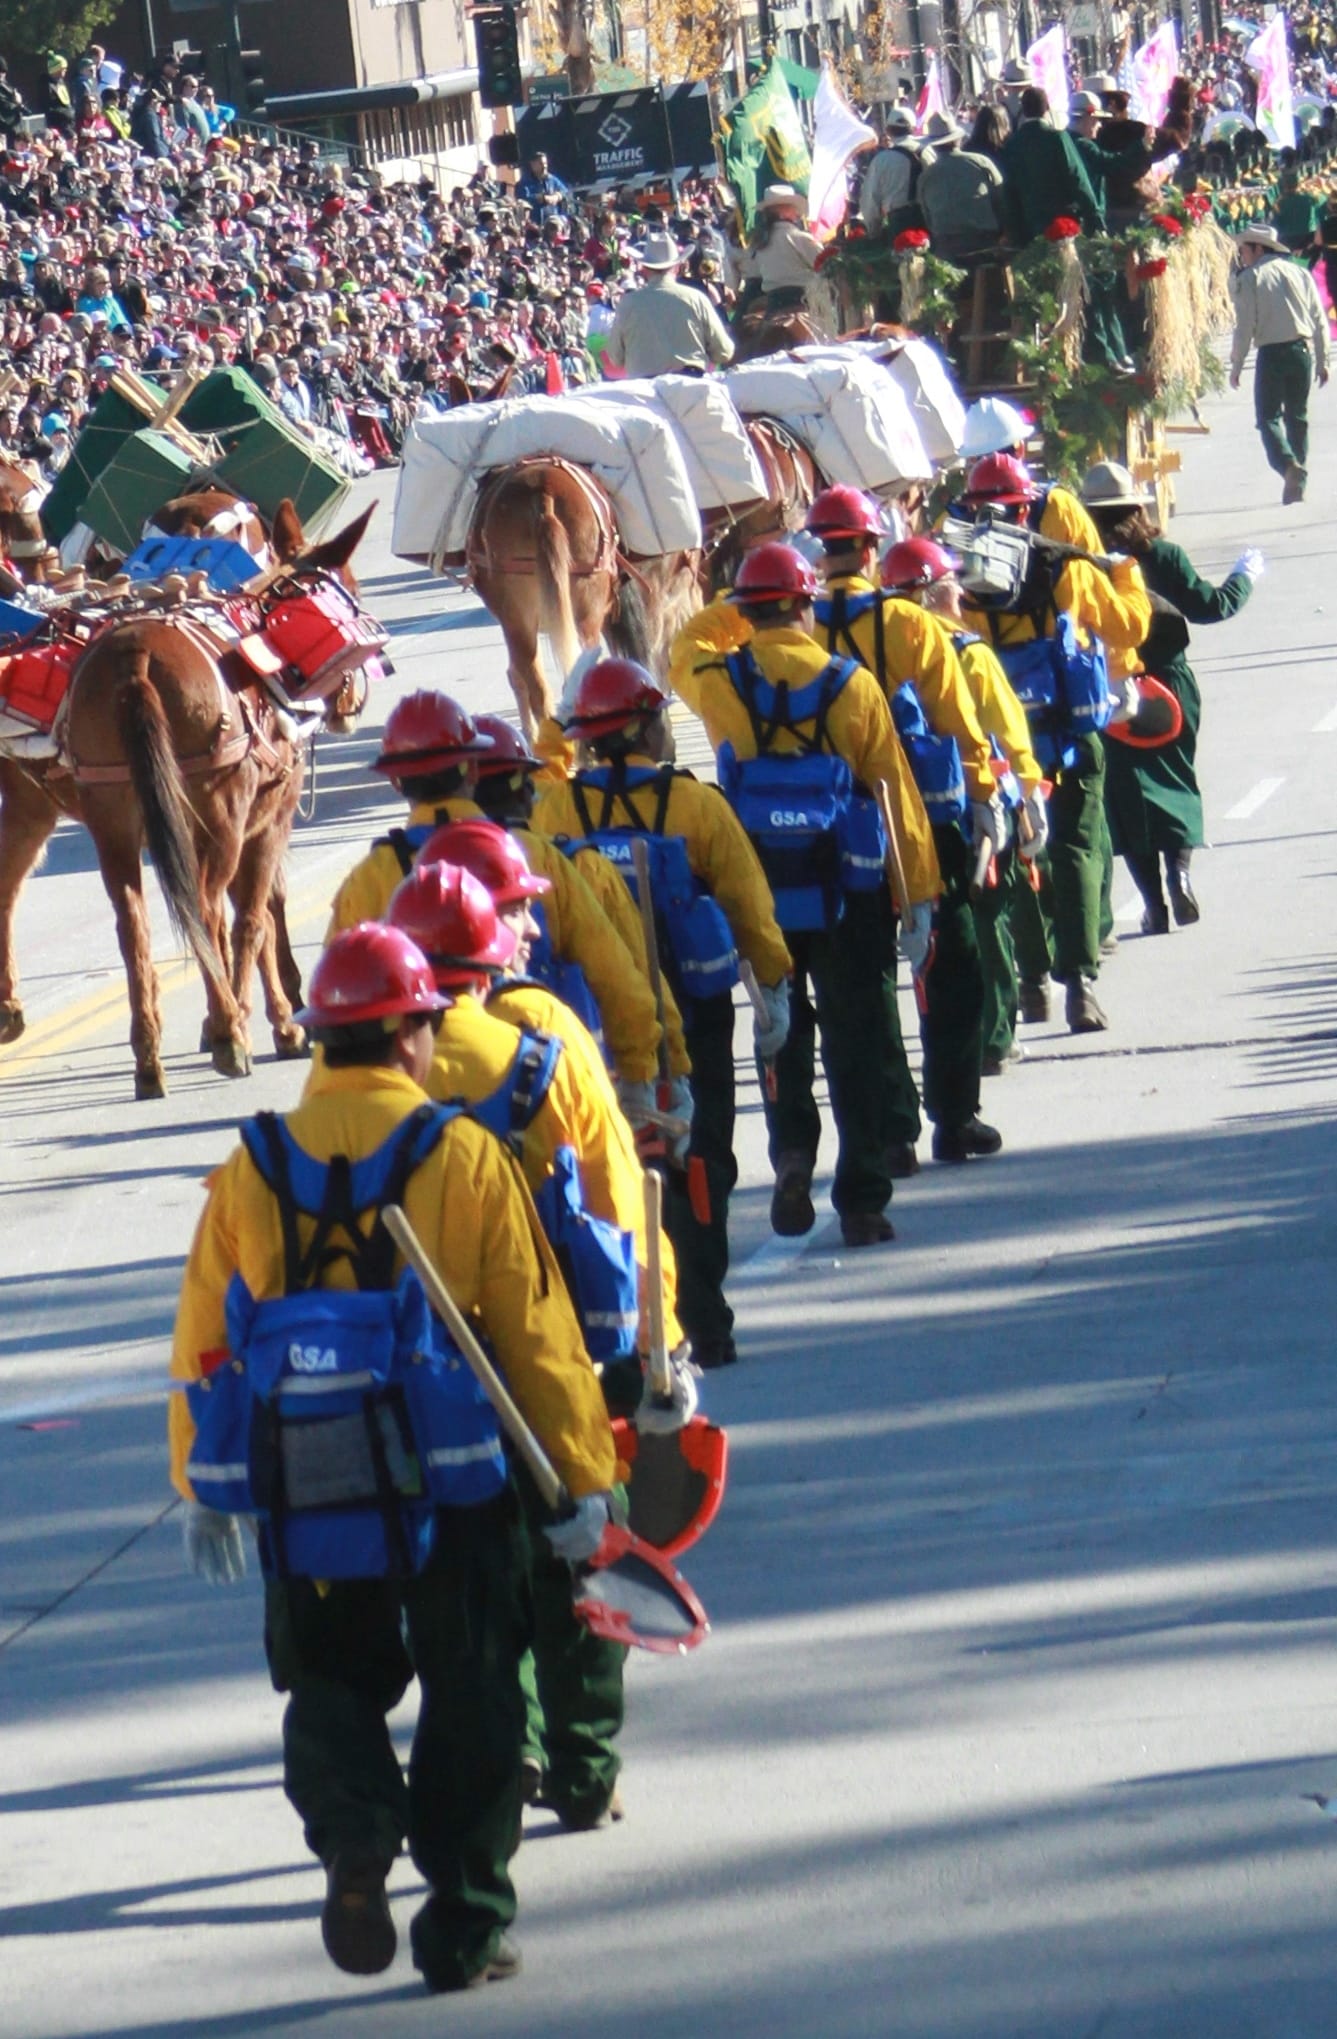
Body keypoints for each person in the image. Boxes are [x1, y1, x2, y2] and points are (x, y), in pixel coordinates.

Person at [170, 923, 620, 1992]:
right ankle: (463, 1920)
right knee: (472, 1685)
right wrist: (581, 1480)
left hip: (303, 1471)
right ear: (412, 1032)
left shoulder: (252, 1164)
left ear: (325, 1037)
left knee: (326, 1670)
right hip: (448, 1472)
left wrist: (203, 1482)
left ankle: (356, 1834)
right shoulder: (461, 1154)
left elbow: (203, 1333)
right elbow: (534, 1333)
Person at [669, 543, 940, 1246]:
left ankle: (792, 1153)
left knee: (779, 1036)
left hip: (760, 893)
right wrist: (917, 897)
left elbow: (682, 645)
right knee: (855, 1039)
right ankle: (861, 1198)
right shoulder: (851, 686)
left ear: (749, 611)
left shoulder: (720, 682)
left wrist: (733, 609)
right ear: (805, 604)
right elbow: (893, 795)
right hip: (847, 891)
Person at [534, 655, 792, 1366]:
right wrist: (771, 983)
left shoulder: (556, 807)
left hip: (602, 1022)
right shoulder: (694, 804)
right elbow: (747, 901)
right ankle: (706, 1320)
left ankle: (637, 1323)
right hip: (693, 1013)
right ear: (649, 729)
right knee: (699, 1159)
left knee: (616, 1169)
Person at [326, 691, 674, 1105]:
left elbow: (339, 1008)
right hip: (546, 1084)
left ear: (397, 782)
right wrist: (643, 1076)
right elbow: (616, 975)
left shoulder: (368, 880)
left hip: (419, 1104)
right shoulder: (541, 857)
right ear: (472, 770)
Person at [805, 486, 1002, 1162]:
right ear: (869, 547)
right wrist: (986, 796)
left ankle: (891, 1130)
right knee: (951, 966)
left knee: (863, 983)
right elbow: (956, 719)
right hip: (926, 816)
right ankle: (954, 1115)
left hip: (835, 822)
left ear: (819, 549)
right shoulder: (909, 623)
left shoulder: (790, 626)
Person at [954, 453, 1151, 1034]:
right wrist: (1124, 573)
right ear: (1026, 507)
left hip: (1002, 741)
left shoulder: (960, 580)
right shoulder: (1065, 568)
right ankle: (1080, 985)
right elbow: (1128, 628)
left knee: (1019, 855)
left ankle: (1034, 983)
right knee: (1076, 851)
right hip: (1067, 731)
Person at [880, 533, 1048, 1077]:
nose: (962, 594)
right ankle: (994, 1034)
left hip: (903, 810)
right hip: (973, 800)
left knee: (935, 933)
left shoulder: (877, 650)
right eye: (952, 584)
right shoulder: (966, 652)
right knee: (988, 918)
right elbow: (1004, 727)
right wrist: (1026, 794)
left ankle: (964, 1040)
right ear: (930, 592)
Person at [1080, 460, 1261, 933]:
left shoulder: (1082, 566)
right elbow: (1211, 607)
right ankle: (1179, 874)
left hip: (1113, 691)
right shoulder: (1163, 557)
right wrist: (1244, 577)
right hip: (1171, 688)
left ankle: (1154, 905)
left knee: (1129, 798)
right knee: (1177, 783)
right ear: (1137, 509)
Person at [1229, 221, 1330, 504]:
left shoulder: (1251, 278)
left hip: (1271, 355)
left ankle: (1288, 467)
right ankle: (1297, 473)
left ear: (1258, 248)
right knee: (1297, 418)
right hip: (1301, 352)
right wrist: (1323, 360)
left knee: (1267, 418)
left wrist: (1236, 365)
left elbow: (1245, 326)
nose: (1242, 255)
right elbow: (1319, 320)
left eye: (1244, 249)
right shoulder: (1300, 273)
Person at [601, 232, 734, 379]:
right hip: (689, 386)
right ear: (677, 267)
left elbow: (615, 357)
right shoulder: (697, 299)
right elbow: (724, 351)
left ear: (644, 269)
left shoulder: (628, 303)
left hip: (643, 392)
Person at [999, 87, 1102, 242]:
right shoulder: (1057, 138)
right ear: (1047, 108)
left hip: (1027, 227)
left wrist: (1013, 230)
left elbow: (1009, 188)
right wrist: (1095, 219)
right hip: (1062, 225)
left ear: (1024, 110)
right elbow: (1077, 178)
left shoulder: (1012, 143)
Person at [917, 112, 1006, 260]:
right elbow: (1001, 196)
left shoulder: (926, 177)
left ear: (934, 146)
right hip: (985, 241)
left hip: (946, 245)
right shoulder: (981, 162)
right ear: (957, 140)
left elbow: (927, 215)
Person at [739, 183, 822, 313]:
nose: (797, 213)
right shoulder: (801, 238)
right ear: (784, 212)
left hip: (773, 304)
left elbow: (752, 274)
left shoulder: (757, 243)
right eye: (793, 208)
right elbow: (824, 267)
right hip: (804, 303)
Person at [858, 107, 934, 237]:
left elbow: (870, 200)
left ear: (888, 130)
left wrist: (873, 230)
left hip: (898, 224)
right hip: (929, 219)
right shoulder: (928, 152)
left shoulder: (881, 160)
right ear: (914, 128)